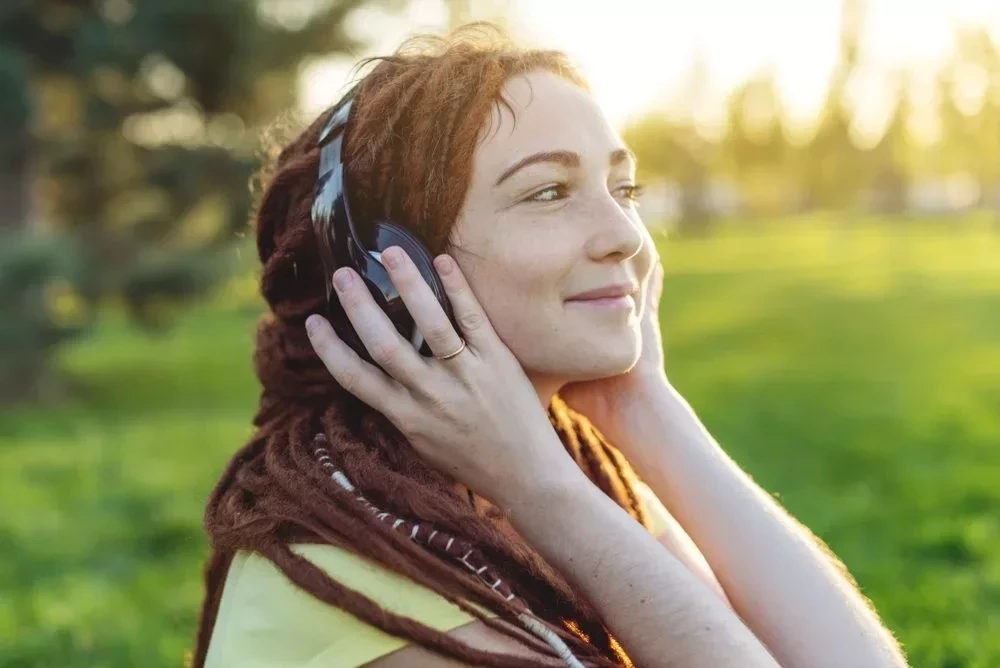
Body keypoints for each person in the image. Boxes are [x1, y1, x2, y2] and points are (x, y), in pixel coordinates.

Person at [192, 24, 907, 668]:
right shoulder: (351, 576)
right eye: (548, 193)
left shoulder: (567, 471)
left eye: (624, 188)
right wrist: (541, 488)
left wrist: (648, 414)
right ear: (389, 275)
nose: (626, 236)